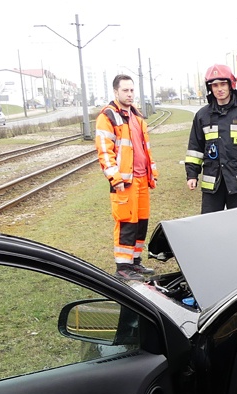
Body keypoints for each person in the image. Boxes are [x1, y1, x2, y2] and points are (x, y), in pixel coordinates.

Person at [95, 74, 159, 281]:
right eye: (125, 90)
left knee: (141, 222)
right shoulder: (108, 116)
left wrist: (152, 174)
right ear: (116, 92)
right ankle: (123, 267)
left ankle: (135, 262)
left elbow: (144, 149)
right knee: (126, 222)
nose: (130, 94)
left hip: (141, 179)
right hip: (124, 181)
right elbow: (105, 150)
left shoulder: (137, 116)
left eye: (132, 90)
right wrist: (115, 177)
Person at [185, 64, 237, 214]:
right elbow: (195, 148)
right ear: (210, 88)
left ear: (231, 85)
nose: (219, 89)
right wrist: (192, 175)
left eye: (223, 84)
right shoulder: (202, 116)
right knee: (210, 226)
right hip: (212, 184)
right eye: (215, 85)